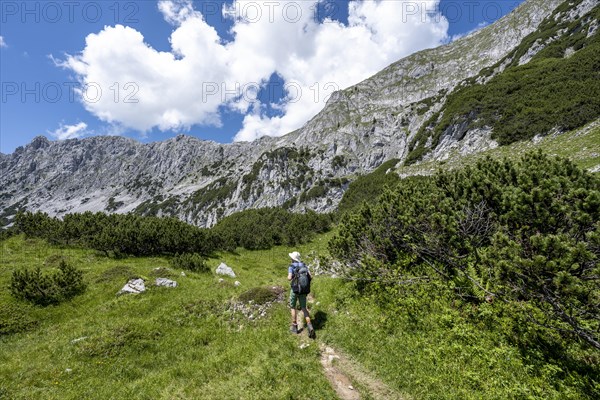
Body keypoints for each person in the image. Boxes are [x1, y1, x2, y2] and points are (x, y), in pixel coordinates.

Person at [288, 251, 315, 338]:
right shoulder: (304, 265)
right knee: (303, 308)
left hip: (295, 290)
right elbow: (310, 277)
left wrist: (292, 277)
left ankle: (295, 326)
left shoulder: (291, 266)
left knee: (293, 307)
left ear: (293, 258)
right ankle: (309, 325)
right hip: (303, 290)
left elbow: (289, 278)